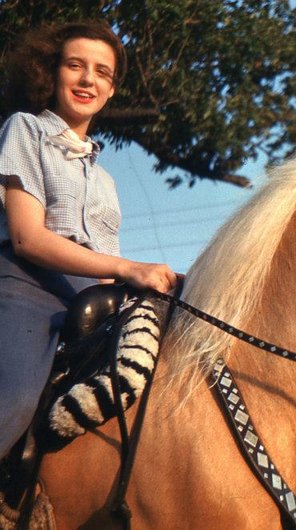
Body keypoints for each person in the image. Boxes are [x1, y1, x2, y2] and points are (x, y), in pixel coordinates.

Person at [0, 20, 177, 459]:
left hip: (95, 301)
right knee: (15, 403)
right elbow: (27, 238)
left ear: (112, 89)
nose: (87, 80)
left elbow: (106, 267)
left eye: (102, 72)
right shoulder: (24, 130)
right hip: (28, 288)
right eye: (75, 65)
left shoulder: (105, 180)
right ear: (51, 72)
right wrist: (128, 268)